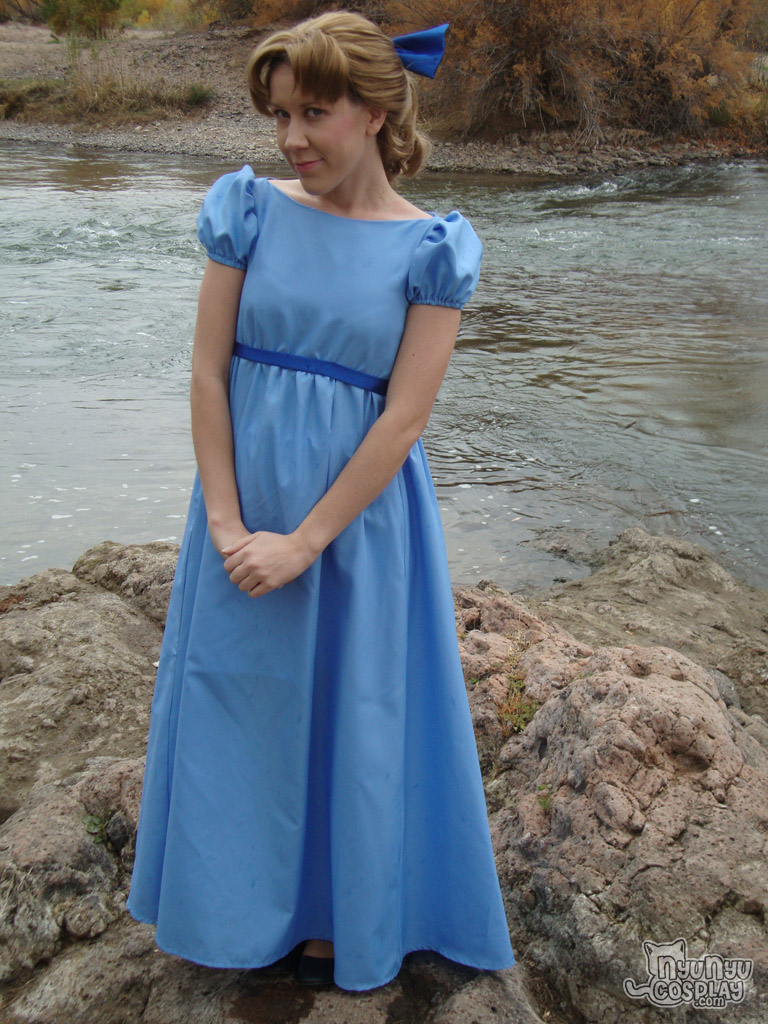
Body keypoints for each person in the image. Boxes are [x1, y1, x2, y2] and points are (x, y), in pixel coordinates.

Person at [125, 9, 516, 992]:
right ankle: (231, 906)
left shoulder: (432, 247)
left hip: (357, 526)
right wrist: (227, 521)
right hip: (240, 506)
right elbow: (208, 372)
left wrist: (305, 541)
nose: (291, 138)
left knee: (355, 708)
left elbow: (404, 419)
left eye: (314, 113)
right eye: (279, 115)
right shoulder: (249, 210)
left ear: (376, 112)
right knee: (237, 695)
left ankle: (339, 916)